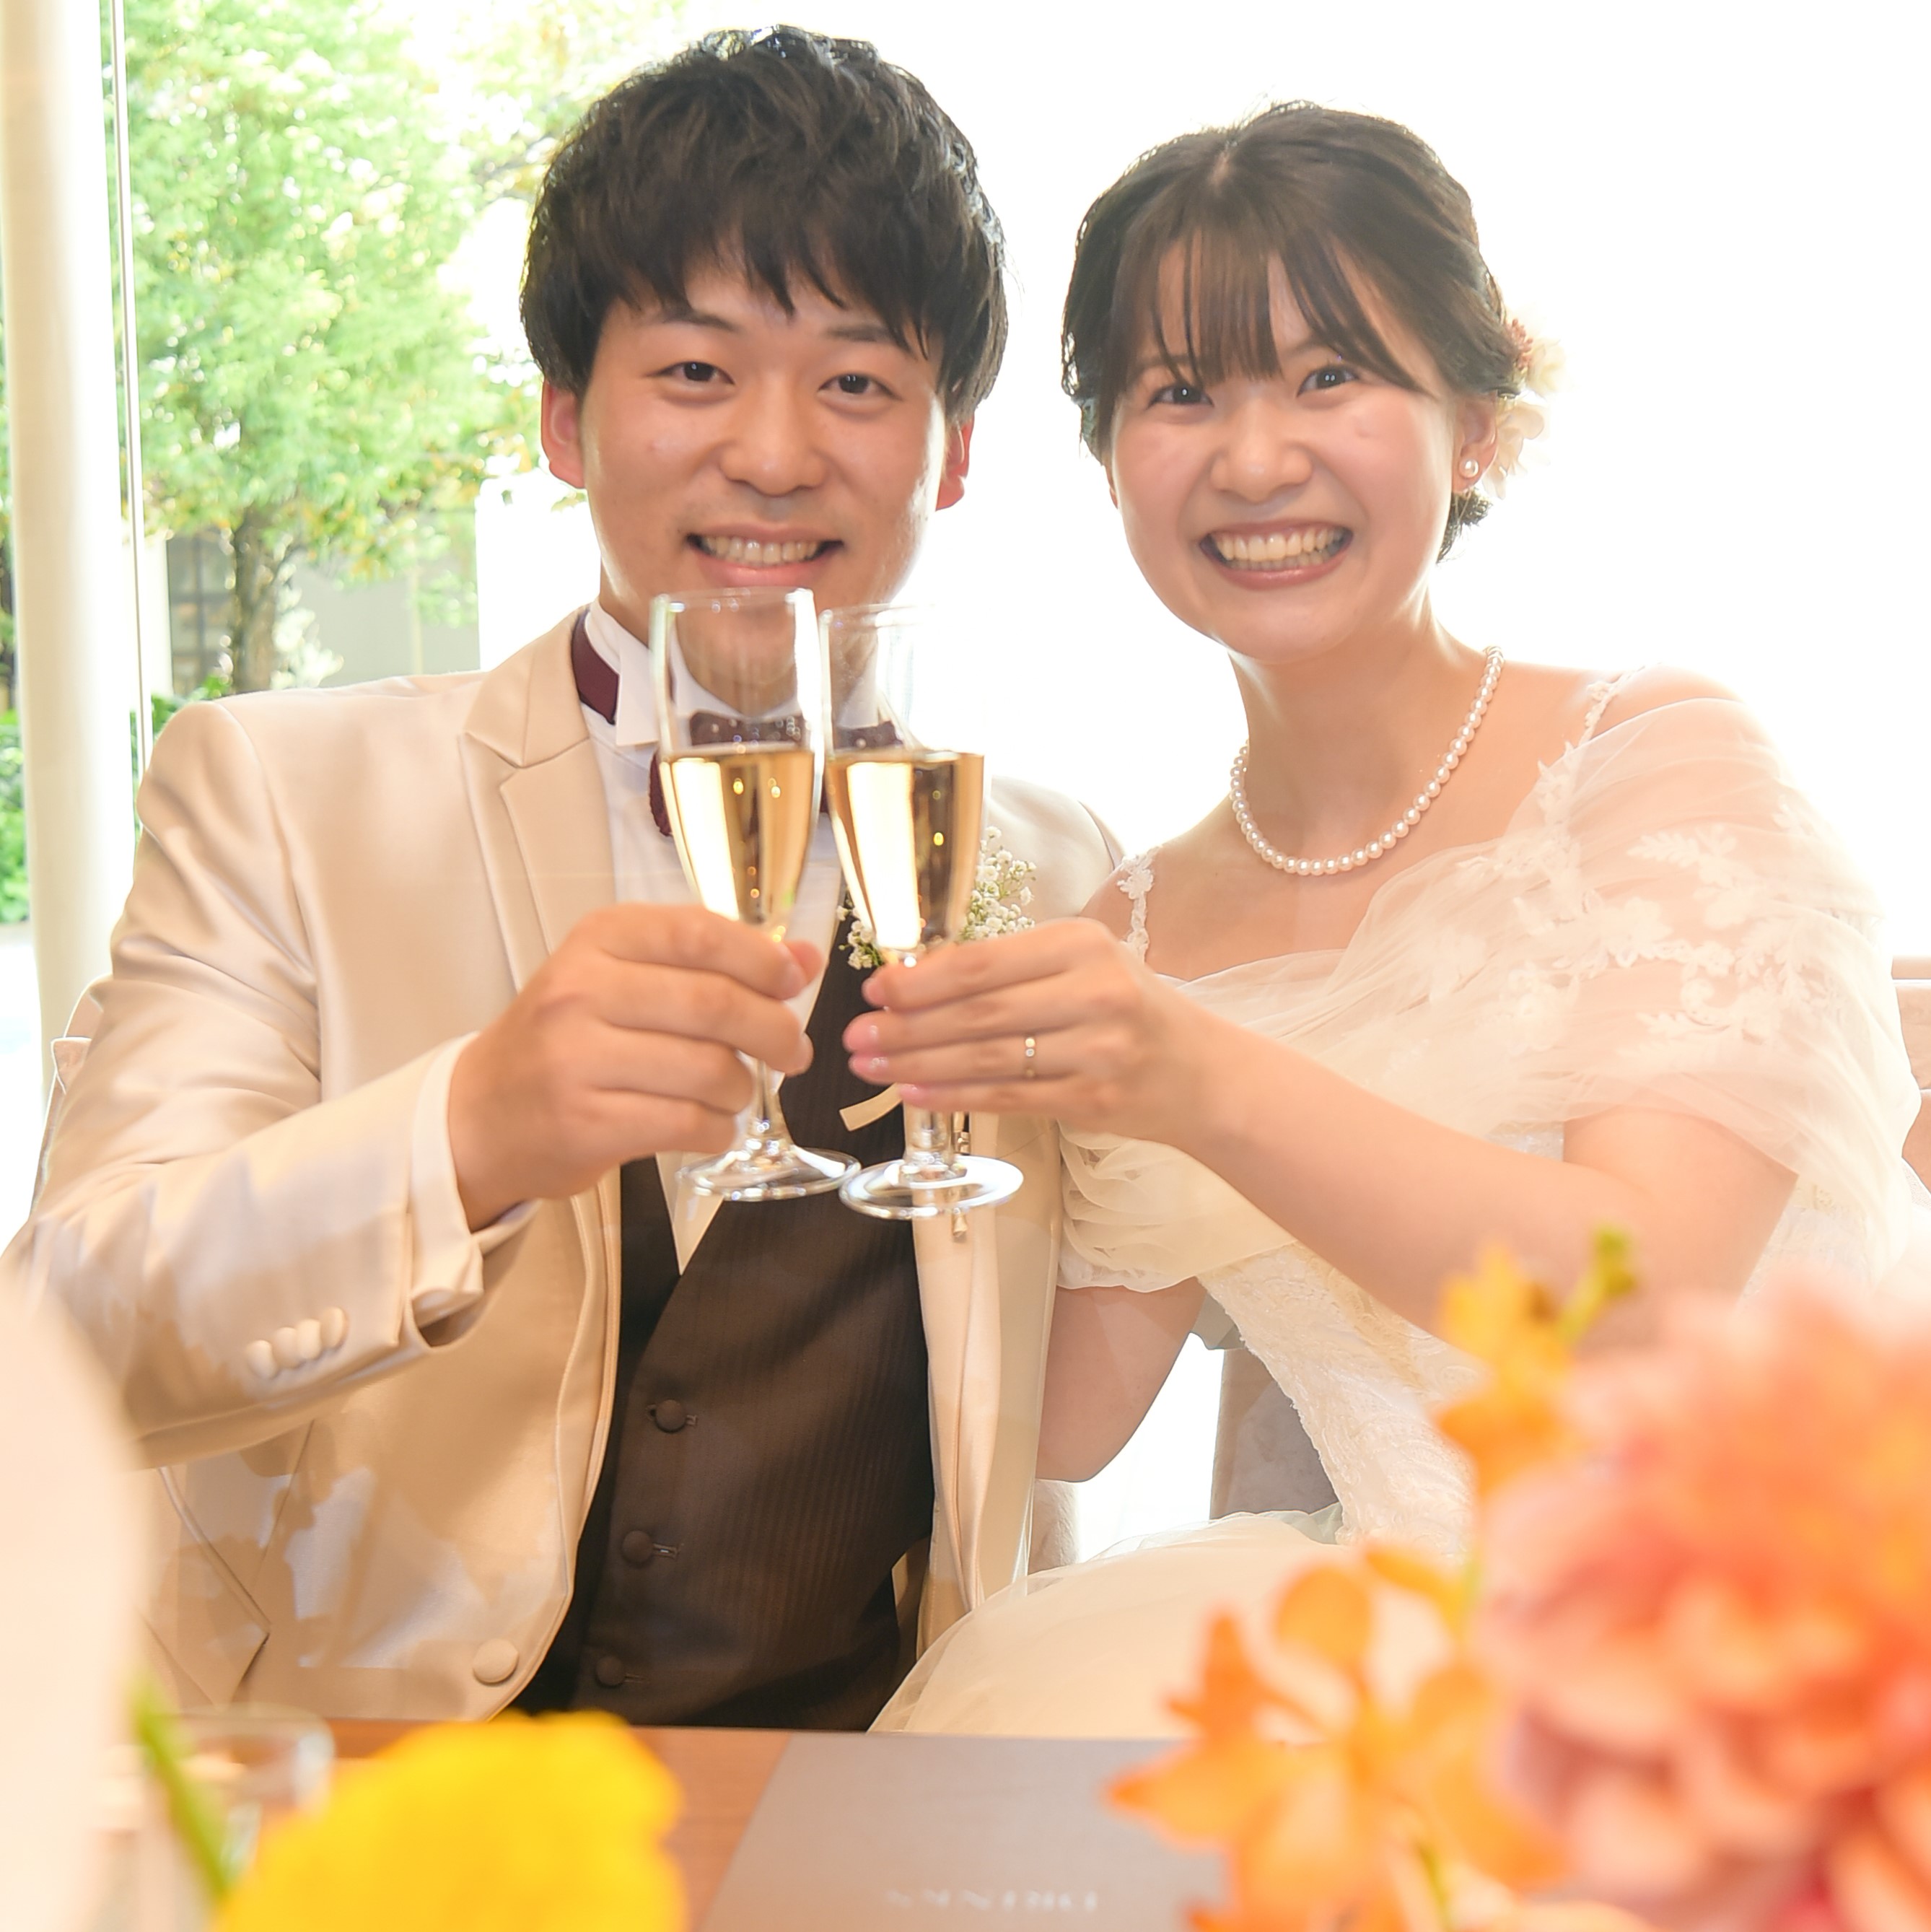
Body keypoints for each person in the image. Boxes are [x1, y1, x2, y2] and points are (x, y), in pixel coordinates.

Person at [3, 27, 1118, 1727]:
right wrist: (466, 1133)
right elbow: (70, 1334)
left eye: (856, 383)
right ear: (564, 421)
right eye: (696, 371)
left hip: (860, 1796)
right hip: (386, 1794)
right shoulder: (281, 792)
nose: (774, 452)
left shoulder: (1051, 863)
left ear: (951, 450)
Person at [849, 102, 1931, 1734]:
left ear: (1474, 427)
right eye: (1181, 392)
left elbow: (1642, 1300)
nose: (1254, 457)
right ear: (1112, 460)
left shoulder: (1658, 762)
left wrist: (1199, 1077)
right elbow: (1066, 1422)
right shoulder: (1139, 917)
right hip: (1406, 1662)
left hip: (1787, 1618)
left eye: (1330, 374)